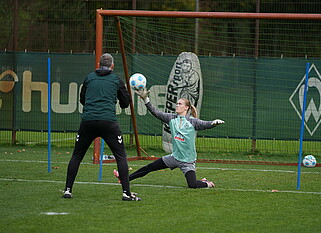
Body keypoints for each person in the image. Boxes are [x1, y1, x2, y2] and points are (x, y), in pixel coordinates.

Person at [62, 53, 141, 201]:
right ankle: (126, 193)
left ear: (98, 65)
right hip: (108, 122)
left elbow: (82, 99)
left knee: (77, 155)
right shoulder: (116, 80)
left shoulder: (90, 77)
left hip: (88, 121)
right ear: (112, 66)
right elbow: (125, 103)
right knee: (121, 156)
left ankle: (67, 190)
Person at [115, 88, 225, 188]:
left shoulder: (193, 121)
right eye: (177, 103)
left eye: (180, 104)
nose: (177, 105)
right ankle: (124, 179)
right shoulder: (171, 118)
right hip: (174, 158)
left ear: (186, 108)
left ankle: (207, 183)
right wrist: (145, 99)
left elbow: (205, 124)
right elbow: (155, 112)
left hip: (187, 161)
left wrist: (213, 123)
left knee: (192, 185)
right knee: (149, 167)